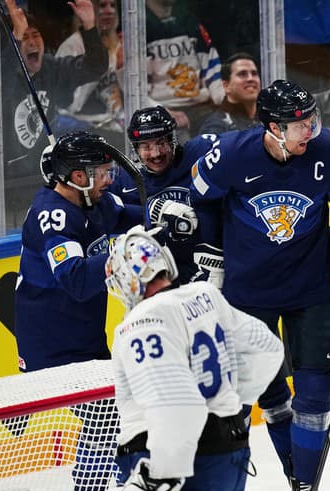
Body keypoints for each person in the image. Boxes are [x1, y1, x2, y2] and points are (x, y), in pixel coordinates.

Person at [189, 79, 330, 491]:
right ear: (273, 128)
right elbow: (202, 196)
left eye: (313, 120)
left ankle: (305, 490)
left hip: (311, 286)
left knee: (316, 387)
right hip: (247, 293)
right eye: (300, 125)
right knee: (250, 396)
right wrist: (209, 253)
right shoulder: (233, 154)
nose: (311, 131)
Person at [99, 225, 284, 491]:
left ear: (131, 278)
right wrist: (233, 406)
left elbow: (178, 405)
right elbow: (267, 347)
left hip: (183, 471)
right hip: (230, 460)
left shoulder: (143, 322)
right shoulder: (206, 295)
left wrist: (158, 482)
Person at [14, 131, 142, 491]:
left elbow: (134, 212)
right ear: (76, 176)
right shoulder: (52, 214)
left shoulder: (96, 202)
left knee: (110, 414)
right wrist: (121, 250)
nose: (108, 178)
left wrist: (170, 211)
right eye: (100, 172)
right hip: (49, 341)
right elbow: (75, 279)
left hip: (84, 334)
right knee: (108, 412)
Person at [1, 0, 109, 221]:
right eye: (24, 37)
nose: (32, 42)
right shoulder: (0, 78)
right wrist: (16, 35)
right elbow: (1, 84)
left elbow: (95, 66)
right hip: (6, 188)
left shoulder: (51, 69)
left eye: (35, 35)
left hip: (42, 181)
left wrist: (89, 26)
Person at [110, 105, 218, 283]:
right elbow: (101, 209)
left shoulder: (200, 154)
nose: (155, 154)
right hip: (158, 278)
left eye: (161, 143)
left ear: (173, 140)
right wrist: (149, 211)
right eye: (146, 146)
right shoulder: (125, 183)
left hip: (209, 270)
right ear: (136, 149)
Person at [146, 0, 224, 141]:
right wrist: (160, 111)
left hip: (201, 107)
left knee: (222, 142)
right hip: (165, 110)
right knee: (183, 149)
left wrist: (221, 101)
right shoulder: (138, 26)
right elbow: (133, 87)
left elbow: (210, 61)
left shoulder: (188, 19)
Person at [55, 0, 125, 148]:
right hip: (80, 127)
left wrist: (121, 69)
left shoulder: (116, 44)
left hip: (115, 122)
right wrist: (98, 69)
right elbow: (66, 104)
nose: (109, 11)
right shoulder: (71, 47)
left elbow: (129, 93)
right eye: (102, 5)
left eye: (113, 6)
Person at [199, 52, 262, 135]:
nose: (250, 78)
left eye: (254, 73)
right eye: (242, 74)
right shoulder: (215, 127)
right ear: (226, 86)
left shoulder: (270, 120)